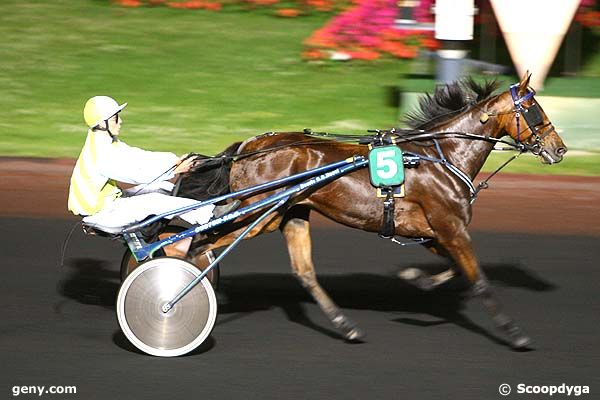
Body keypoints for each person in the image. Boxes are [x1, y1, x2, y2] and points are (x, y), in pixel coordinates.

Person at [68, 96, 238, 233]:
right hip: (103, 213)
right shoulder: (101, 153)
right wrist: (174, 169)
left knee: (163, 187)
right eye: (115, 118)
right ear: (101, 123)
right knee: (156, 200)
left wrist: (174, 161)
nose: (120, 121)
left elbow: (139, 156)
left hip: (111, 202)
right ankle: (210, 216)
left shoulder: (104, 142)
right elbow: (136, 174)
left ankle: (198, 207)